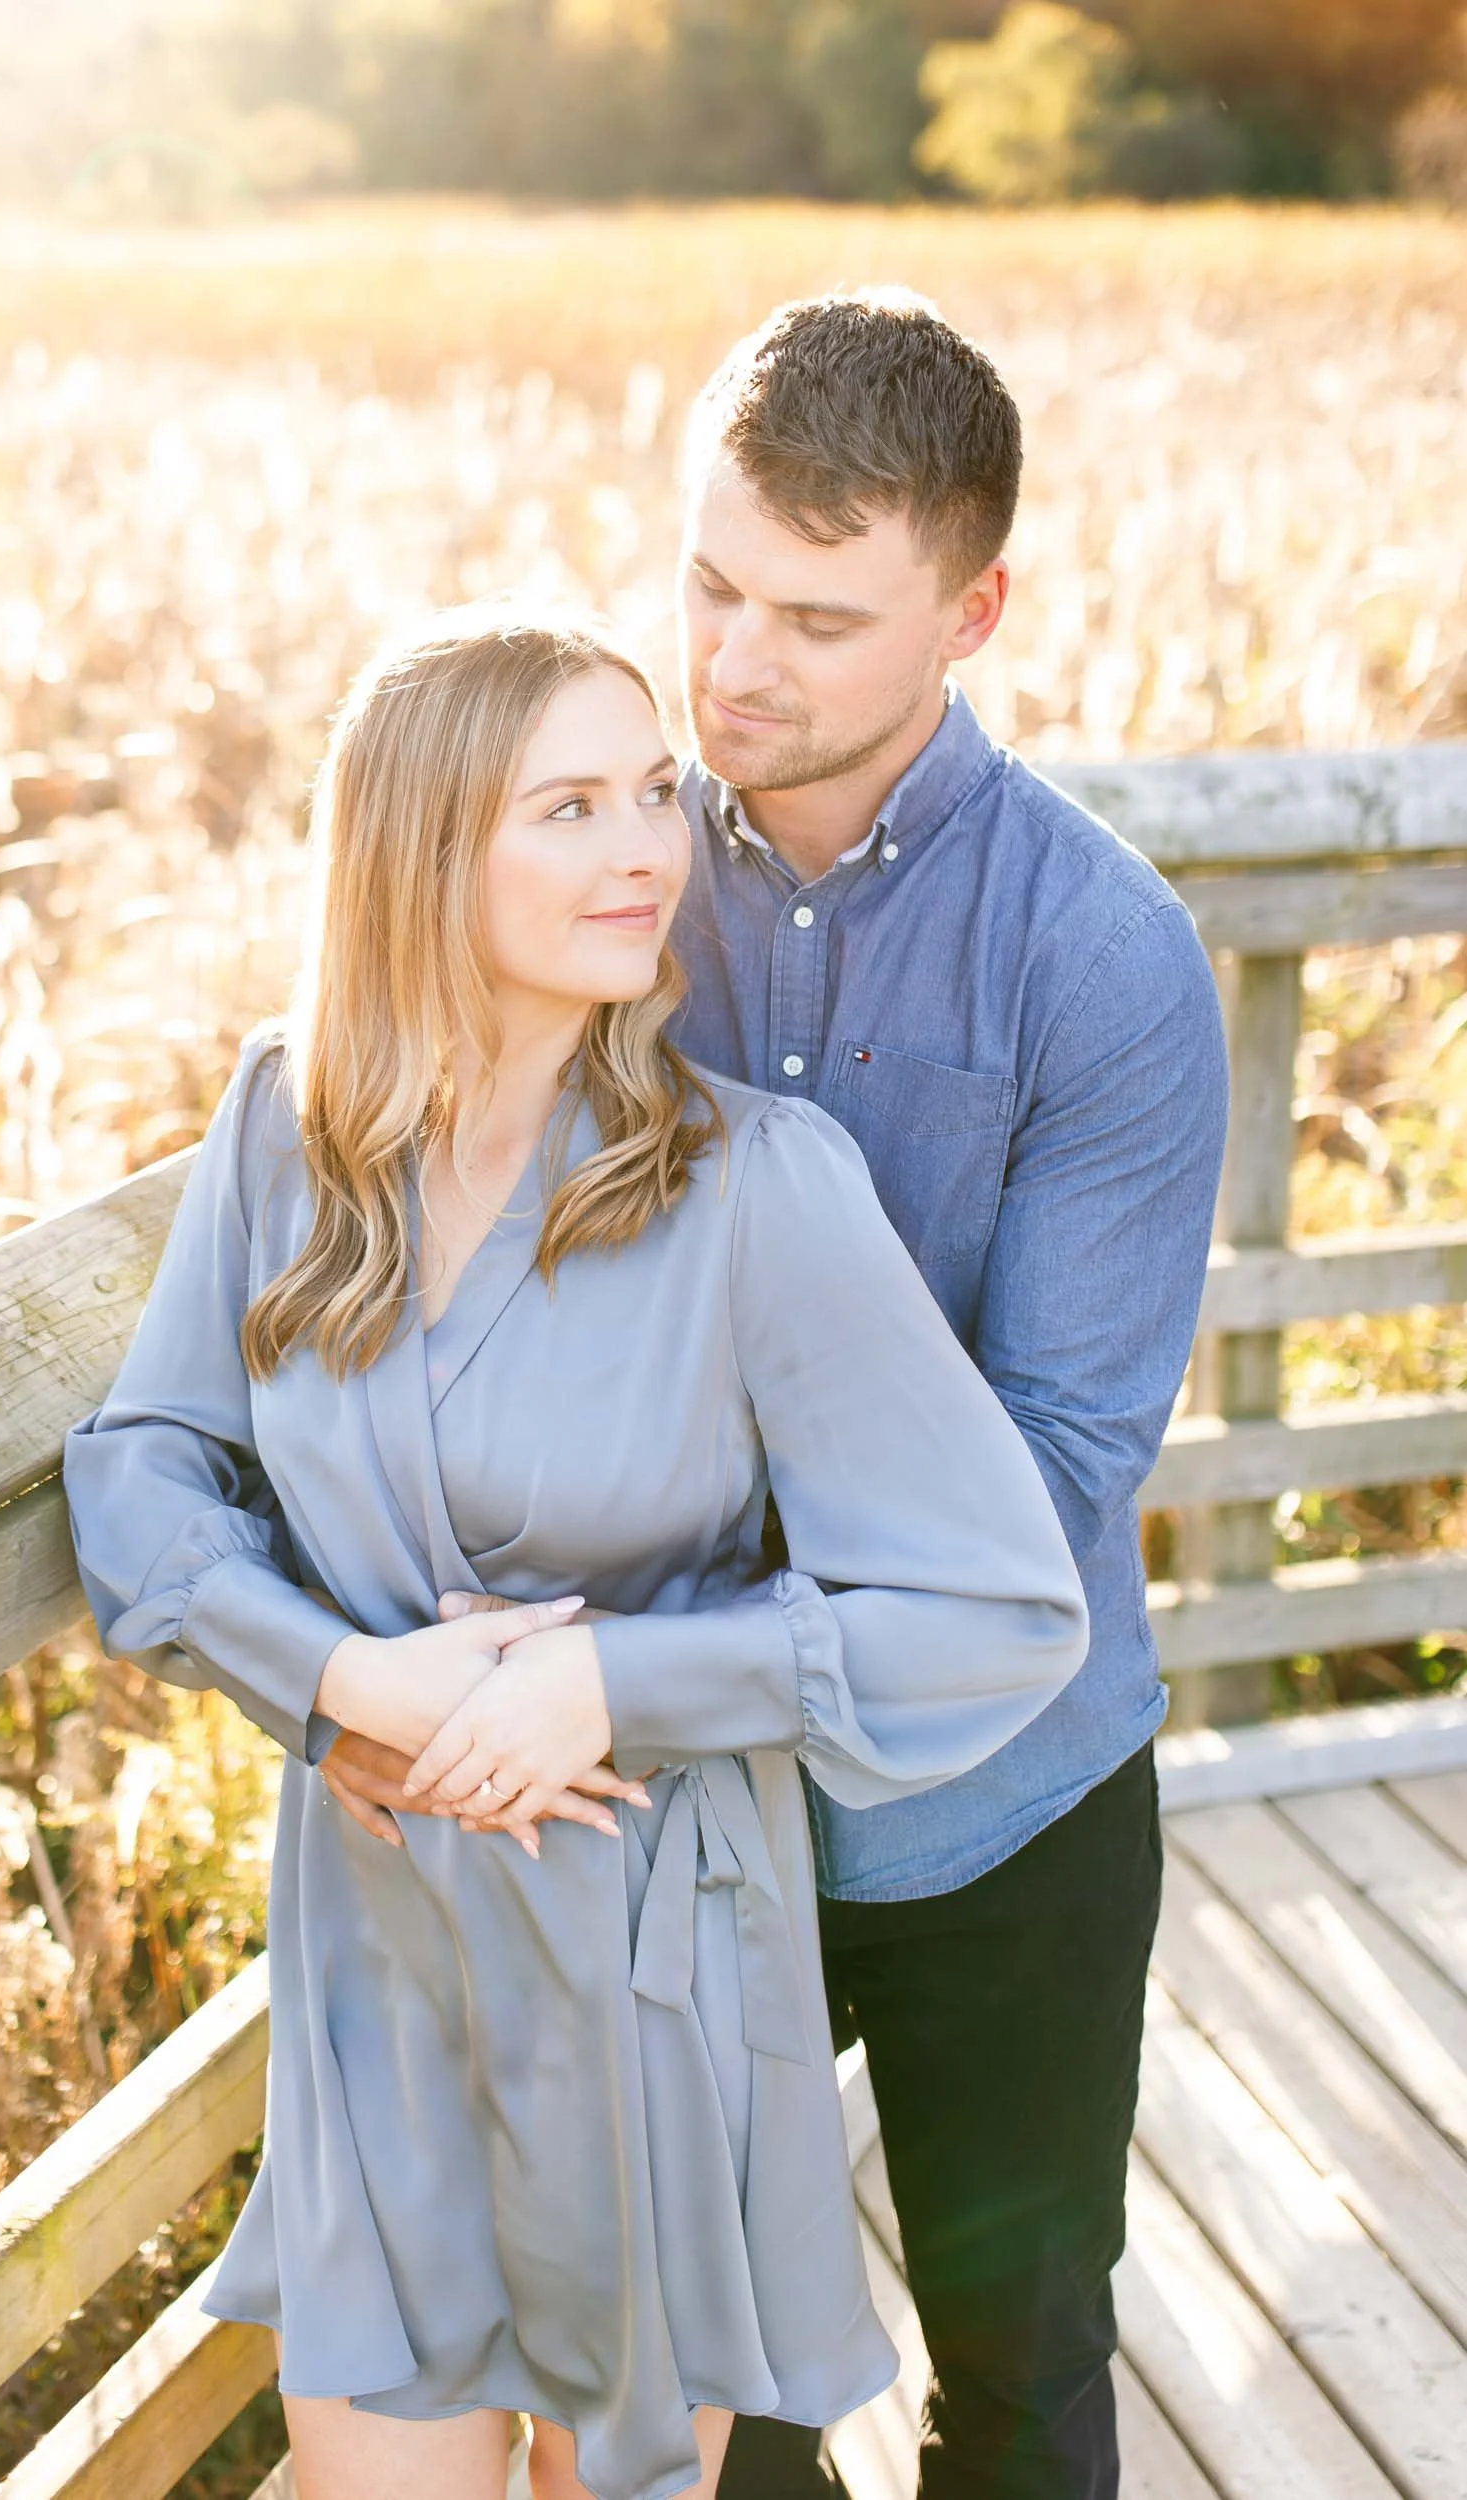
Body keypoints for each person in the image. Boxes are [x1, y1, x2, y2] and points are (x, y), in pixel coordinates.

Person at [321, 298, 1230, 2499]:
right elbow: (408, 1212)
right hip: (669, 1825)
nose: (734, 664)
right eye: (711, 581)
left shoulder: (1099, 957)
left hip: (999, 1799)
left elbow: (1051, 1485)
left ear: (976, 608)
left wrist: (638, 1657)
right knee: (702, 2397)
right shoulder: (590, 872)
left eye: (820, 616)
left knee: (1021, 2366)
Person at [62, 608, 1090, 2500]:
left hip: (653, 1967)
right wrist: (335, 1680)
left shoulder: (756, 1190)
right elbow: (138, 1466)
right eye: (570, 807)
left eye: (651, 797)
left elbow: (998, 1606)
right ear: (422, 850)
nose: (645, 853)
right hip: (378, 1956)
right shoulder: (293, 1131)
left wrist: (609, 1680)